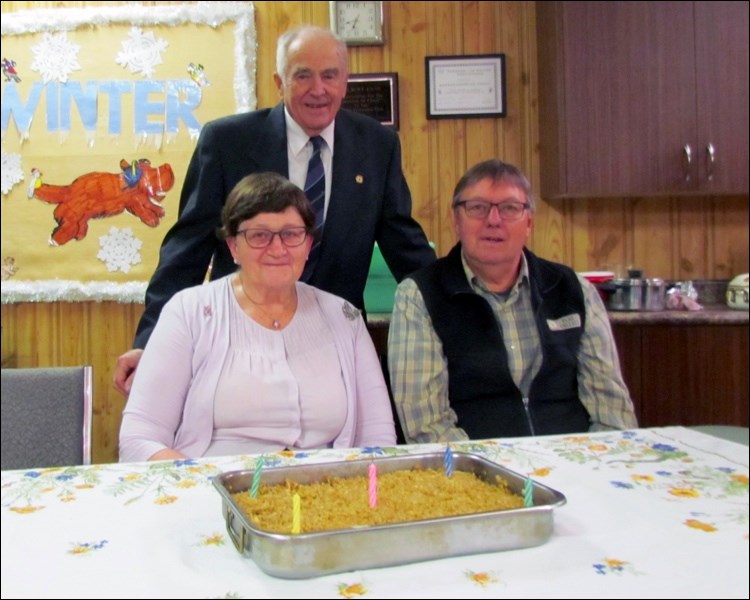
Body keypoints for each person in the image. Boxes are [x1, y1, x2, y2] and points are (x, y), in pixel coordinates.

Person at [114, 24, 435, 395]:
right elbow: (186, 249)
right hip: (238, 343)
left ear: (345, 81)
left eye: (330, 76)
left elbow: (404, 245)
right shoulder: (227, 142)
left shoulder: (377, 145)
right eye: (303, 76)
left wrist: (456, 318)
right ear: (278, 82)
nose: (319, 89)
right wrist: (150, 341)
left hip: (335, 344)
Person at [119, 172, 397, 461]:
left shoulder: (344, 317)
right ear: (233, 246)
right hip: (217, 492)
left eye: (291, 234)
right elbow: (139, 437)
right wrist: (203, 488)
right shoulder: (188, 312)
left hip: (327, 494)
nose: (277, 249)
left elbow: (378, 436)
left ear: (308, 244)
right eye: (259, 236)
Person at [387, 159, 638, 443]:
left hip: (574, 466)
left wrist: (592, 468)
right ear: (456, 220)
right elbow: (426, 426)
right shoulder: (420, 296)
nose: (493, 220)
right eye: (478, 208)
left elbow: (613, 412)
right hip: (477, 476)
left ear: (529, 222)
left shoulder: (573, 290)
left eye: (509, 208)